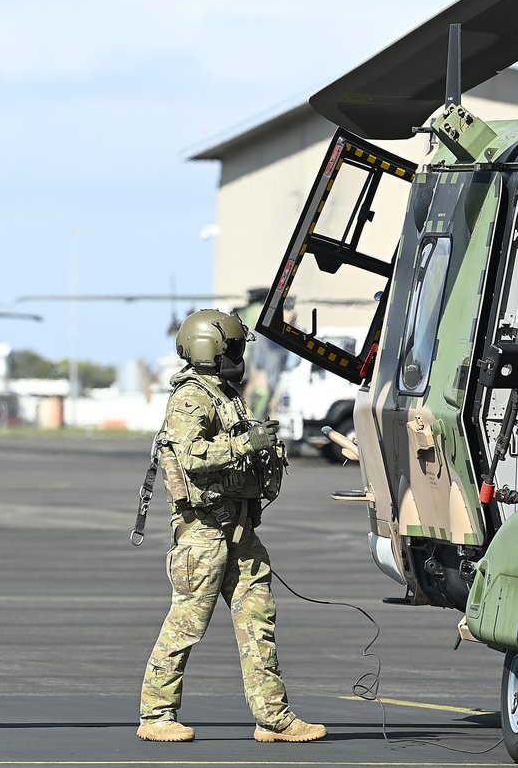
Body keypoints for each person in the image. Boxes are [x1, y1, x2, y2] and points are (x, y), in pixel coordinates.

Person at [137, 309, 327, 744]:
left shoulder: (223, 393)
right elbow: (191, 456)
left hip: (238, 529)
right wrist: (245, 442)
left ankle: (273, 718)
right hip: (203, 531)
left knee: (258, 619)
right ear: (215, 348)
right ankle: (156, 714)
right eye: (235, 347)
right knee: (187, 622)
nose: (239, 356)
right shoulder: (191, 398)